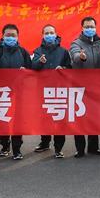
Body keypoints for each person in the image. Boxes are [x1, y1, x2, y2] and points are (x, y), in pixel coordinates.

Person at [0, 23, 32, 159]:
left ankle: (17, 149)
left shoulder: (23, 52)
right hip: (1, 94)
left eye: (13, 35)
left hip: (19, 93)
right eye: (8, 35)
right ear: (3, 36)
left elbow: (31, 70)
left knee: (17, 122)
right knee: (2, 121)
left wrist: (27, 71)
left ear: (17, 36)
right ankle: (5, 146)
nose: (10, 37)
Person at [69, 16, 100, 157]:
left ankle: (93, 147)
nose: (90, 29)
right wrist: (81, 57)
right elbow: (74, 55)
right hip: (80, 86)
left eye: (92, 26)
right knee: (80, 117)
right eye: (87, 27)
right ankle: (80, 149)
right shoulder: (76, 43)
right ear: (82, 28)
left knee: (94, 116)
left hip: (96, 86)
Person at [31, 24, 72, 158]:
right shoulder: (38, 51)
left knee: (59, 118)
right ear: (43, 35)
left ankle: (58, 148)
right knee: (45, 118)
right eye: (46, 33)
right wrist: (40, 62)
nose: (49, 35)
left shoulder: (63, 51)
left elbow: (70, 68)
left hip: (59, 89)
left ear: (56, 34)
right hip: (43, 89)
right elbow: (33, 67)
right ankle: (45, 142)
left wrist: (63, 68)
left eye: (51, 32)